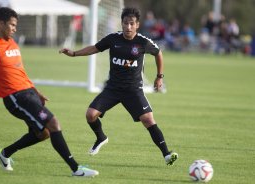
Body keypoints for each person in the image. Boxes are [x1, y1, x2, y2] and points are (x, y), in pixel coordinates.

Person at [0, 7, 98, 177]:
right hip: (15, 97)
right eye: (12, 25)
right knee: (54, 124)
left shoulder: (12, 42)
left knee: (43, 133)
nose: (15, 28)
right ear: (0, 24)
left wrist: (35, 91)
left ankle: (4, 154)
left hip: (28, 93)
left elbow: (19, 72)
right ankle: (76, 169)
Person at [59, 7, 178, 166]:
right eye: (125, 23)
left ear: (137, 25)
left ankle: (167, 154)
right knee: (90, 115)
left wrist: (159, 77)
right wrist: (74, 53)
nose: (128, 27)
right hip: (112, 89)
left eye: (132, 24)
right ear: (121, 23)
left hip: (133, 90)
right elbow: (95, 48)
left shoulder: (143, 42)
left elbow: (158, 53)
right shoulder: (113, 39)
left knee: (148, 119)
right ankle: (101, 137)